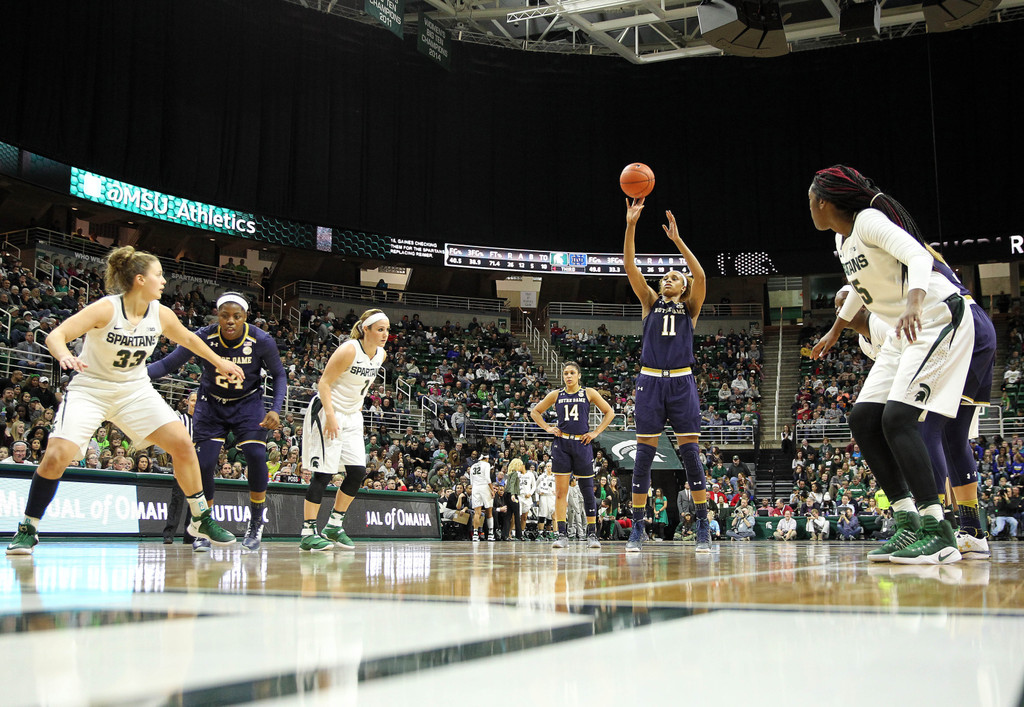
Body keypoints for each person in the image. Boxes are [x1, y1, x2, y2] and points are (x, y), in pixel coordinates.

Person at [6, 246, 243, 555]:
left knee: (182, 444)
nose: (164, 280)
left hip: (134, 391)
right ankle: (28, 527)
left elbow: (189, 339)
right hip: (91, 390)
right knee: (56, 457)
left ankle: (201, 519)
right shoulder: (106, 308)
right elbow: (55, 336)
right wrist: (65, 355)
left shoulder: (161, 314)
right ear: (140, 280)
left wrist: (220, 362)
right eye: (159, 274)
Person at [810, 165, 972, 565]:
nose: (809, 208)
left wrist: (914, 302)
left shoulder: (868, 221)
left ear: (824, 202)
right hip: (904, 329)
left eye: (810, 201)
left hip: (933, 314)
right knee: (864, 419)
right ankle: (907, 523)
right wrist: (836, 330)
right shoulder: (842, 238)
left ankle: (939, 531)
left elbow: (918, 254)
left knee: (898, 419)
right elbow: (860, 290)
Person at [838, 282, 996, 560]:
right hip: (964, 329)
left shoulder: (881, 320)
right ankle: (970, 531)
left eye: (843, 304)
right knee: (950, 438)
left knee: (922, 429)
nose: (839, 311)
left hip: (955, 331)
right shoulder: (865, 342)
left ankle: (936, 527)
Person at [148, 292, 288, 551]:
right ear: (217, 315)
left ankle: (256, 520)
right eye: (225, 315)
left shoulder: (261, 339)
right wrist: (133, 375)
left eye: (237, 316)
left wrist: (276, 409)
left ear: (246, 317)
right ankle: (203, 524)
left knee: (256, 454)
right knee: (204, 462)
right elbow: (168, 364)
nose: (231, 321)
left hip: (248, 403)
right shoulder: (203, 336)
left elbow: (279, 375)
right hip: (211, 404)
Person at [621, 197, 711, 553]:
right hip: (650, 380)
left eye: (676, 277)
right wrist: (631, 225)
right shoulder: (649, 302)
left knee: (691, 454)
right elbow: (630, 264)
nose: (668, 279)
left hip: (681, 381)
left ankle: (703, 525)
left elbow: (700, 275)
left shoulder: (691, 308)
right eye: (666, 276)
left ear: (684, 288)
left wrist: (678, 242)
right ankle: (637, 528)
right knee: (643, 456)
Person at [298, 309, 389, 551]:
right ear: (365, 329)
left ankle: (333, 526)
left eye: (387, 330)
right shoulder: (349, 349)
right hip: (328, 411)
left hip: (352, 416)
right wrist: (330, 416)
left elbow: (362, 385)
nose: (385, 334)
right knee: (324, 474)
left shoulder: (381, 355)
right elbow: (324, 383)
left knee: (358, 472)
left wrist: (356, 407)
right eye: (380, 329)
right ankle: (307, 533)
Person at [529, 361, 614, 548]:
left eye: (572, 373)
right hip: (562, 444)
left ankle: (592, 534)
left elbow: (610, 412)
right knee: (560, 492)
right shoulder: (556, 394)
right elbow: (535, 412)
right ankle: (562, 534)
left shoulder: (588, 393)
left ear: (579, 375)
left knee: (587, 491)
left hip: (582, 444)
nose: (568, 376)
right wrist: (548, 428)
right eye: (565, 373)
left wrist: (596, 432)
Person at [162, 390, 196, 544]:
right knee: (177, 500)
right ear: (187, 402)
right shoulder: (180, 420)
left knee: (194, 503)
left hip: (197, 466)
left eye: (198, 401)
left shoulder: (204, 422)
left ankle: (189, 535)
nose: (195, 403)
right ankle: (169, 534)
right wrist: (175, 464)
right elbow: (174, 444)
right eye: (193, 400)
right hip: (182, 464)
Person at [469, 451, 495, 542]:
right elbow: (488, 479)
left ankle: (475, 534)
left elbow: (471, 482)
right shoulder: (486, 465)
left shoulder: (473, 466)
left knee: (477, 512)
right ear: (487, 458)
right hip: (485, 487)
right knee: (489, 511)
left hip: (475, 488)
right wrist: (492, 490)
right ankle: (491, 534)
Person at [535, 463, 557, 540]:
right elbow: (536, 487)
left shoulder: (555, 477)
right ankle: (540, 533)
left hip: (552, 497)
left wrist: (557, 492)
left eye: (551, 466)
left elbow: (560, 486)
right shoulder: (541, 477)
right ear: (545, 468)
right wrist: (538, 493)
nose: (549, 468)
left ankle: (552, 533)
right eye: (548, 466)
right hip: (544, 497)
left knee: (552, 515)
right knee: (542, 514)